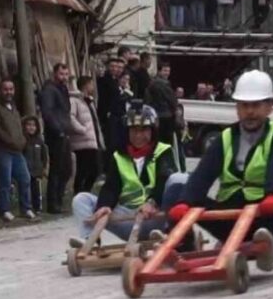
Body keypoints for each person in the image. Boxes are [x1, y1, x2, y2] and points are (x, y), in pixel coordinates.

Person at [169, 71, 273, 264]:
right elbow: (203, 174)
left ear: (269, 107)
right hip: (230, 216)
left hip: (265, 216)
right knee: (177, 189)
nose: (250, 112)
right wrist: (185, 201)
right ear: (237, 108)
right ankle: (181, 246)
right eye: (244, 106)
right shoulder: (224, 138)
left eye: (256, 105)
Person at [71, 105, 187, 245]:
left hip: (156, 217)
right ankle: (89, 240)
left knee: (178, 179)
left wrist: (152, 202)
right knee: (81, 199)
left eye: (143, 130)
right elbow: (111, 187)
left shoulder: (163, 151)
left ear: (153, 131)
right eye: (134, 130)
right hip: (128, 218)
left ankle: (167, 233)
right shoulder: (119, 156)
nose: (138, 136)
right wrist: (104, 205)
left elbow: (164, 178)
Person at [0, 79, 35, 222]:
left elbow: (19, 128)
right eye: (6, 89)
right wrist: (9, 140)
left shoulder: (13, 108)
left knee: (25, 178)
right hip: (3, 150)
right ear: (0, 91)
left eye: (11, 89)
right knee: (5, 181)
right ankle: (4, 210)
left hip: (17, 151)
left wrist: (22, 140)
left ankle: (25, 208)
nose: (9, 92)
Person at [40, 62, 73, 214]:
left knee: (66, 169)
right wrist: (58, 130)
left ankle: (59, 200)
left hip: (64, 132)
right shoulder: (49, 90)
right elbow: (48, 113)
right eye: (61, 74)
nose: (64, 77)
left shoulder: (63, 89)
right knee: (57, 169)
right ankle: (53, 204)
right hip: (56, 135)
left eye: (66, 74)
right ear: (55, 73)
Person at [146, 62, 184, 170]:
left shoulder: (151, 83)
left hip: (156, 118)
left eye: (168, 71)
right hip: (166, 118)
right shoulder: (162, 84)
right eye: (165, 70)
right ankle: (168, 165)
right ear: (159, 71)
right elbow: (172, 101)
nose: (167, 73)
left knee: (156, 143)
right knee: (167, 145)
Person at [69, 75, 103, 194]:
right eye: (91, 84)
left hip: (92, 140)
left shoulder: (90, 101)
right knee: (83, 169)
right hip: (82, 141)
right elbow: (71, 117)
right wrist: (82, 129)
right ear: (85, 85)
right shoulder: (74, 101)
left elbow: (94, 120)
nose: (93, 87)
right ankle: (78, 192)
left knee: (95, 170)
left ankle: (85, 191)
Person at [97, 57, 127, 152]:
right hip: (109, 116)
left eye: (116, 67)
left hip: (116, 115)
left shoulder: (115, 81)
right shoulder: (104, 80)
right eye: (112, 66)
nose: (115, 69)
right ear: (107, 67)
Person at [22, 116, 48, 213]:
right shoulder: (23, 141)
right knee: (27, 190)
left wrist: (44, 167)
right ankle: (27, 208)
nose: (31, 127)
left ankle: (38, 208)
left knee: (37, 190)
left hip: (37, 170)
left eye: (33, 125)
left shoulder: (39, 141)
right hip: (26, 170)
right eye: (29, 125)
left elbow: (44, 155)